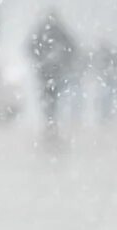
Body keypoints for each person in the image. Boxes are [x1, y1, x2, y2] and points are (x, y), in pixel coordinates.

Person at [27, 10, 79, 140]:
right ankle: (51, 123)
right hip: (51, 72)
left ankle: (50, 123)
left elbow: (30, 47)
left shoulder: (44, 32)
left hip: (50, 72)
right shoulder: (57, 33)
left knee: (49, 98)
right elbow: (72, 48)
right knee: (51, 98)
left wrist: (42, 59)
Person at [90, 42, 117, 121]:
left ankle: (107, 116)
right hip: (107, 81)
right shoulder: (111, 56)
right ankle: (107, 116)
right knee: (107, 100)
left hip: (109, 81)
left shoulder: (108, 56)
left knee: (107, 99)